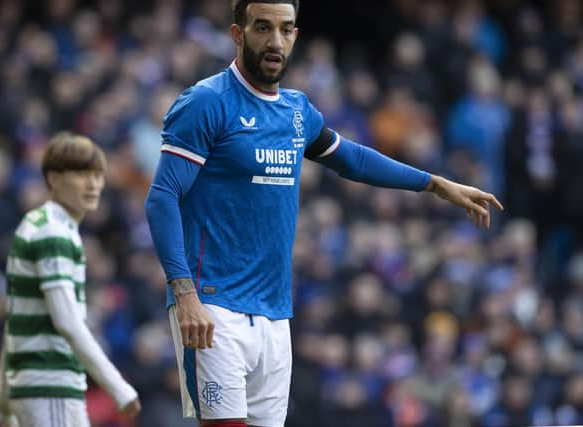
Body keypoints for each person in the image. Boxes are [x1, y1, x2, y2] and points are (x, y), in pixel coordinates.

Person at [144, 1, 503, 426]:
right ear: (238, 34)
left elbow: (351, 158)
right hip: (213, 304)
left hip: (276, 312)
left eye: (286, 29)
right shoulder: (206, 102)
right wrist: (184, 295)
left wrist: (435, 183)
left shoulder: (296, 111)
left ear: (296, 36)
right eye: (262, 28)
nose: (275, 41)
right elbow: (162, 196)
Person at [0, 132, 141, 427]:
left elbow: (16, 324)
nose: (93, 184)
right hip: (50, 385)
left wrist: (1, 407)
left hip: (40, 387)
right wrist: (117, 386)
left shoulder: (39, 225)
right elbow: (67, 322)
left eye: (98, 175)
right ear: (54, 179)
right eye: (82, 174)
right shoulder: (53, 233)